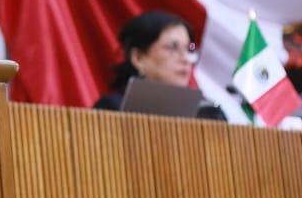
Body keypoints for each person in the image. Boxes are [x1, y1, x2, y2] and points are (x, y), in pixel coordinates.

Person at [94, 10, 224, 119]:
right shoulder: (112, 110)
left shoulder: (209, 110)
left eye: (188, 49)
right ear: (138, 58)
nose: (185, 59)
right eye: (172, 48)